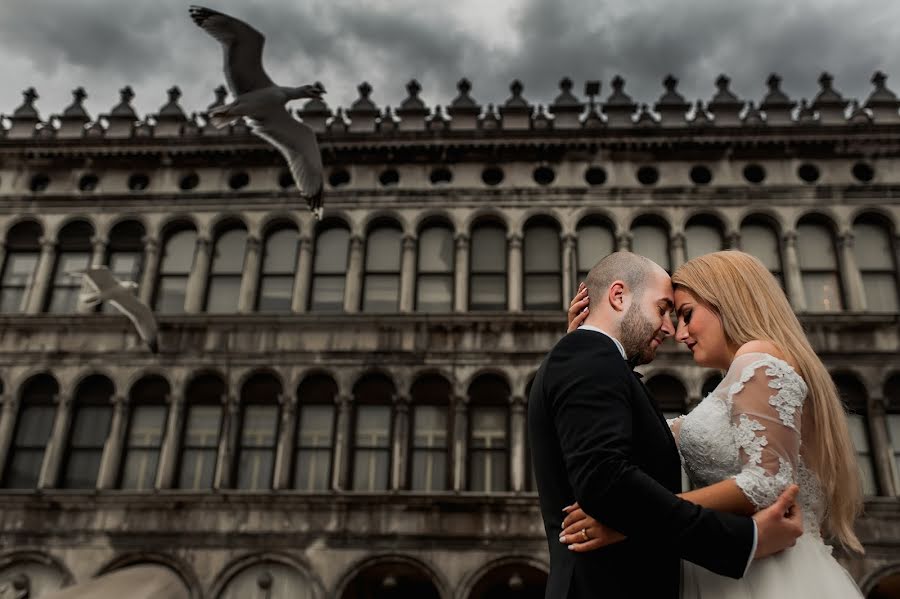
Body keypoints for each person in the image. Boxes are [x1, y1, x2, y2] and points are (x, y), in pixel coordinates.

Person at [562, 250, 864, 598]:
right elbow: (651, 434)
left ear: (728, 301)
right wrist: (591, 348)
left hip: (769, 574)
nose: (678, 332)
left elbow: (765, 484)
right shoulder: (741, 377)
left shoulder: (757, 361)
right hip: (731, 568)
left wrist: (633, 523)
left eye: (687, 314)